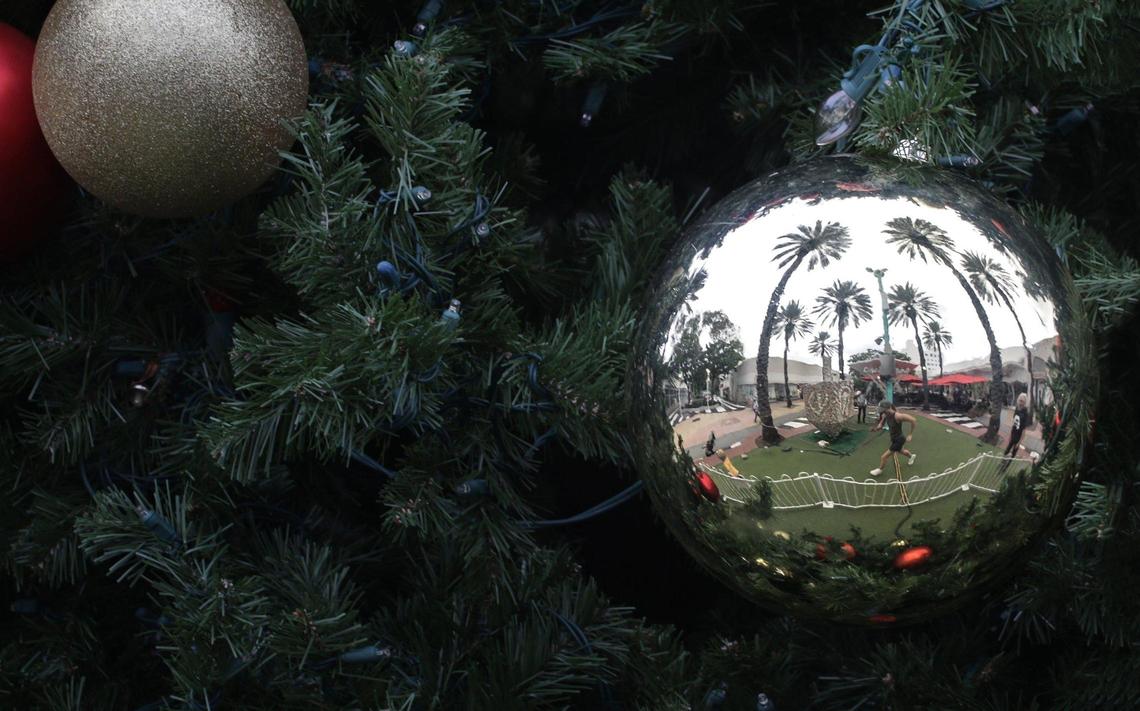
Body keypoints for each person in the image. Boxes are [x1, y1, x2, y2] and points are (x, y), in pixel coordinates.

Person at [869, 400, 917, 476]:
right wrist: (875, 429)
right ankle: (912, 456)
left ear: (888, 408)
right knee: (902, 451)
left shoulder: (898, 416)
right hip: (894, 438)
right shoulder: (885, 415)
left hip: (899, 439)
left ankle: (880, 470)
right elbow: (881, 425)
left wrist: (910, 434)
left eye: (883, 410)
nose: (882, 412)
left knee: (884, 457)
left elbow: (913, 420)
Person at [999, 393, 1030, 472]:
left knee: (1013, 454)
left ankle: (1005, 468)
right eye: (1020, 400)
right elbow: (1014, 424)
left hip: (1018, 436)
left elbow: (1024, 430)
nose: (1021, 402)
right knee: (1007, 450)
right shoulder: (1017, 409)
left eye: (1022, 401)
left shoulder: (1025, 413)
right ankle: (1002, 463)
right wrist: (1010, 435)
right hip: (1013, 434)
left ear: (1025, 402)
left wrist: (1019, 442)